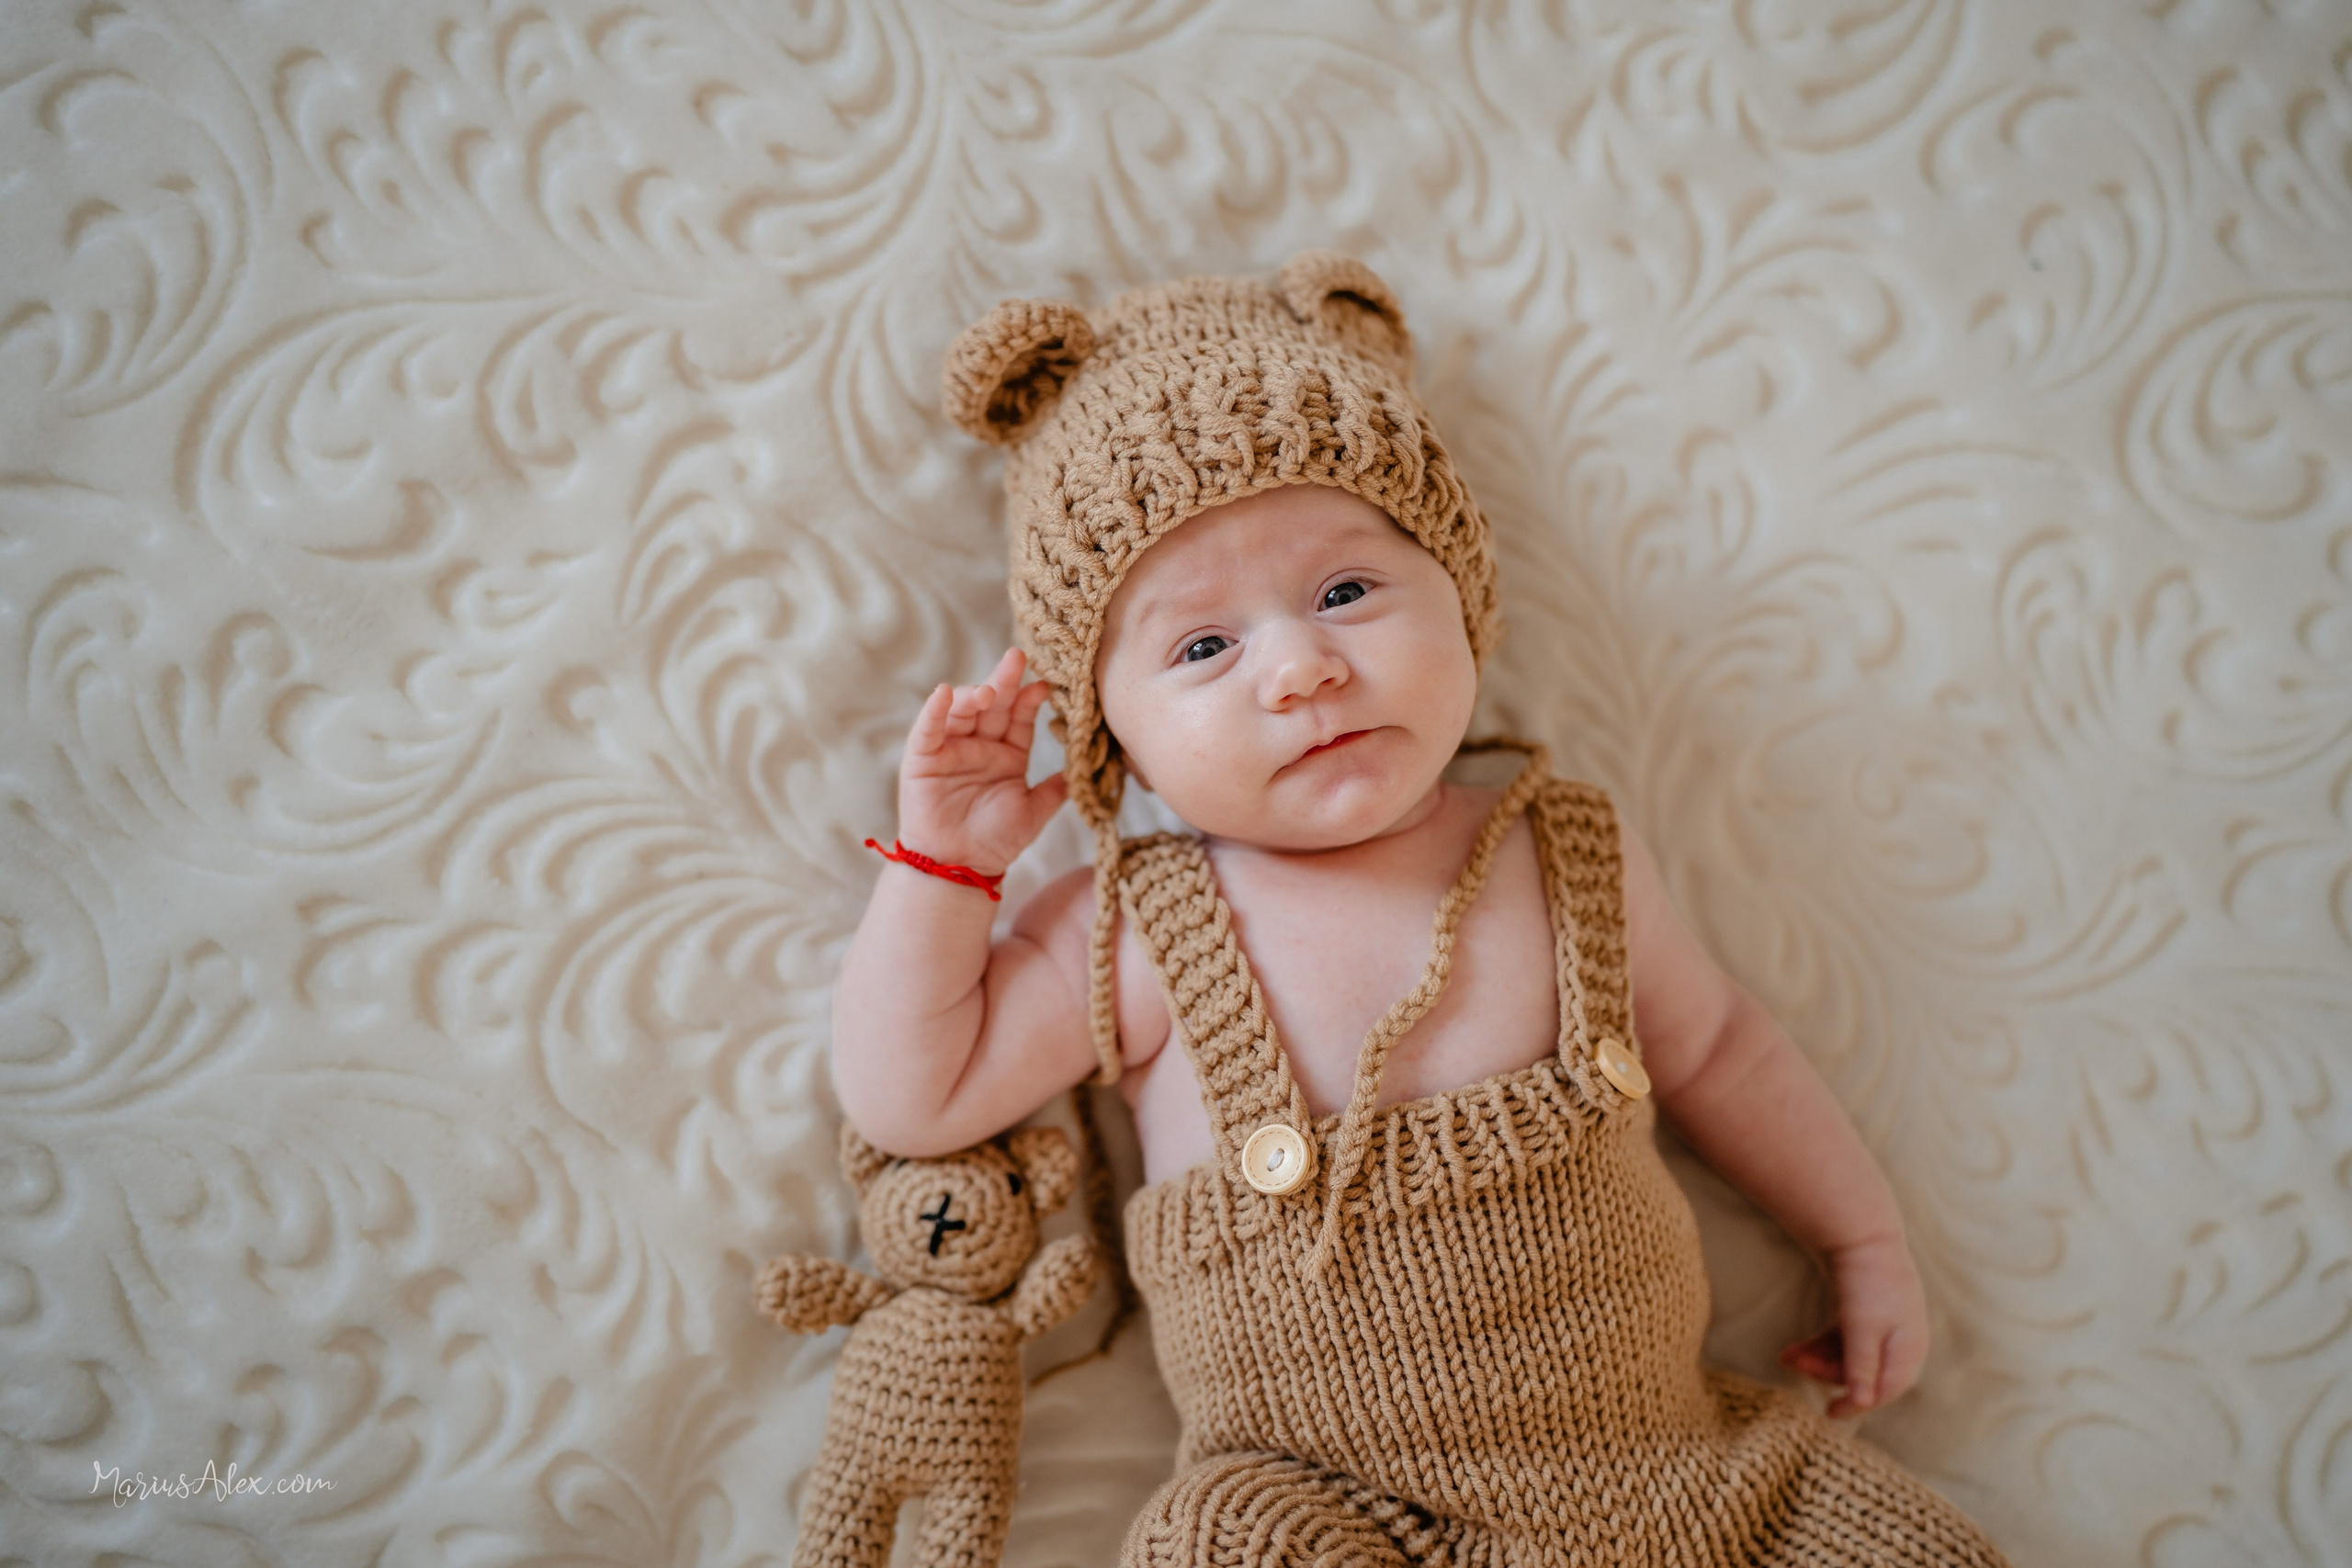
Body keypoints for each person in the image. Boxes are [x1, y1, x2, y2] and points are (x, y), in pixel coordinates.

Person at [828, 253, 2009, 1565]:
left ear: (1463, 598)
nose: (1302, 668)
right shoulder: (1149, 927)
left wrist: (1858, 1234)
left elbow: (1724, 1048)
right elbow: (912, 1095)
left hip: (1688, 1482)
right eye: (1202, 648)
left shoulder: (1565, 853)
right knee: (1213, 1545)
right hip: (1337, 1513)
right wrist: (945, 867)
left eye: (1346, 591)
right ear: (1112, 735)